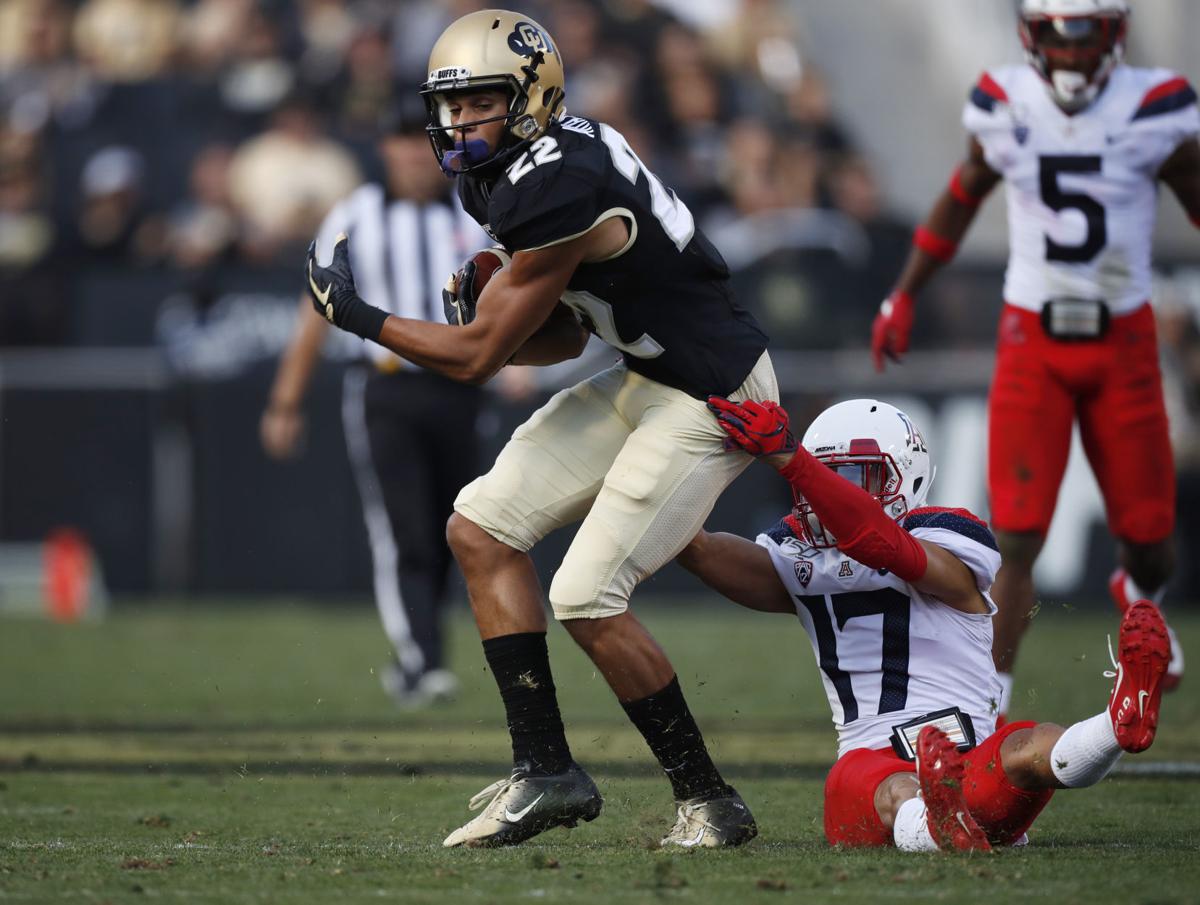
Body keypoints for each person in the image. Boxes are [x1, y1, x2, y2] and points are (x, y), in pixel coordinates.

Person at [303, 10, 776, 848]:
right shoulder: (503, 172)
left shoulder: (557, 177)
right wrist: (508, 297)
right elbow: (567, 331)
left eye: (480, 100)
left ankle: (710, 799)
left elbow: (482, 356)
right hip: (647, 370)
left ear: (532, 95)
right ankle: (546, 770)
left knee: (586, 596)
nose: (459, 123)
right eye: (449, 104)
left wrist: (363, 317)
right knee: (480, 527)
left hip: (713, 392)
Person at [870, 0, 1199, 713]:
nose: (1070, 51)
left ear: (1113, 34)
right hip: (1033, 341)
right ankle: (990, 699)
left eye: (1084, 33)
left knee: (1151, 540)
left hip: (1124, 340)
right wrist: (904, 294)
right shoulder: (1004, 102)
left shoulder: (1158, 107)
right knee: (1016, 536)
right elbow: (963, 195)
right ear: (1030, 34)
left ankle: (1140, 597)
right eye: (1055, 33)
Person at [678, 396, 1172, 851]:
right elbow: (695, 547)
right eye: (827, 477)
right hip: (901, 774)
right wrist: (635, 486)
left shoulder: (942, 534)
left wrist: (794, 460)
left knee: (1018, 745)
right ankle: (953, 810)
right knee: (975, 762)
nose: (829, 494)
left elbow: (882, 546)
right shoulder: (795, 553)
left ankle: (1113, 725)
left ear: (906, 477)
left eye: (855, 476)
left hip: (955, 763)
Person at [262, 101, 489, 706]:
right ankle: (422, 660)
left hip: (460, 385)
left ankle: (422, 653)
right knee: (402, 529)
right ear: (387, 154)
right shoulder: (355, 214)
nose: (415, 159)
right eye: (403, 147)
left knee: (458, 527)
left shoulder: (476, 209)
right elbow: (316, 308)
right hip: (386, 385)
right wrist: (286, 400)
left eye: (423, 146)